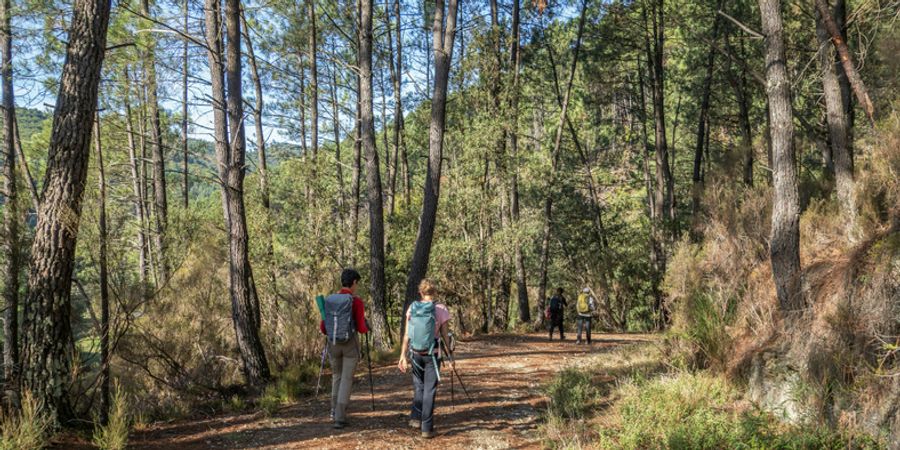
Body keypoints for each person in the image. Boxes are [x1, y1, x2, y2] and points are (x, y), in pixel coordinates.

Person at [398, 278, 453, 439]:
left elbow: (407, 334)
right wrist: (450, 356)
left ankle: (416, 418)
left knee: (419, 386)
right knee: (430, 389)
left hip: (415, 353)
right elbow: (445, 336)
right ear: (434, 292)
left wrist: (402, 355)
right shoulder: (441, 309)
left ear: (420, 292)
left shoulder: (412, 308)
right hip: (432, 354)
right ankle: (427, 428)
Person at [320, 268, 369, 429]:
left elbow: (323, 327)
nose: (357, 286)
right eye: (357, 283)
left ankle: (333, 411)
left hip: (333, 343)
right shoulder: (356, 301)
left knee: (336, 376)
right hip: (350, 344)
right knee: (346, 379)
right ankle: (340, 417)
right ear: (354, 282)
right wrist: (366, 326)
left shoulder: (330, 300)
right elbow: (361, 328)